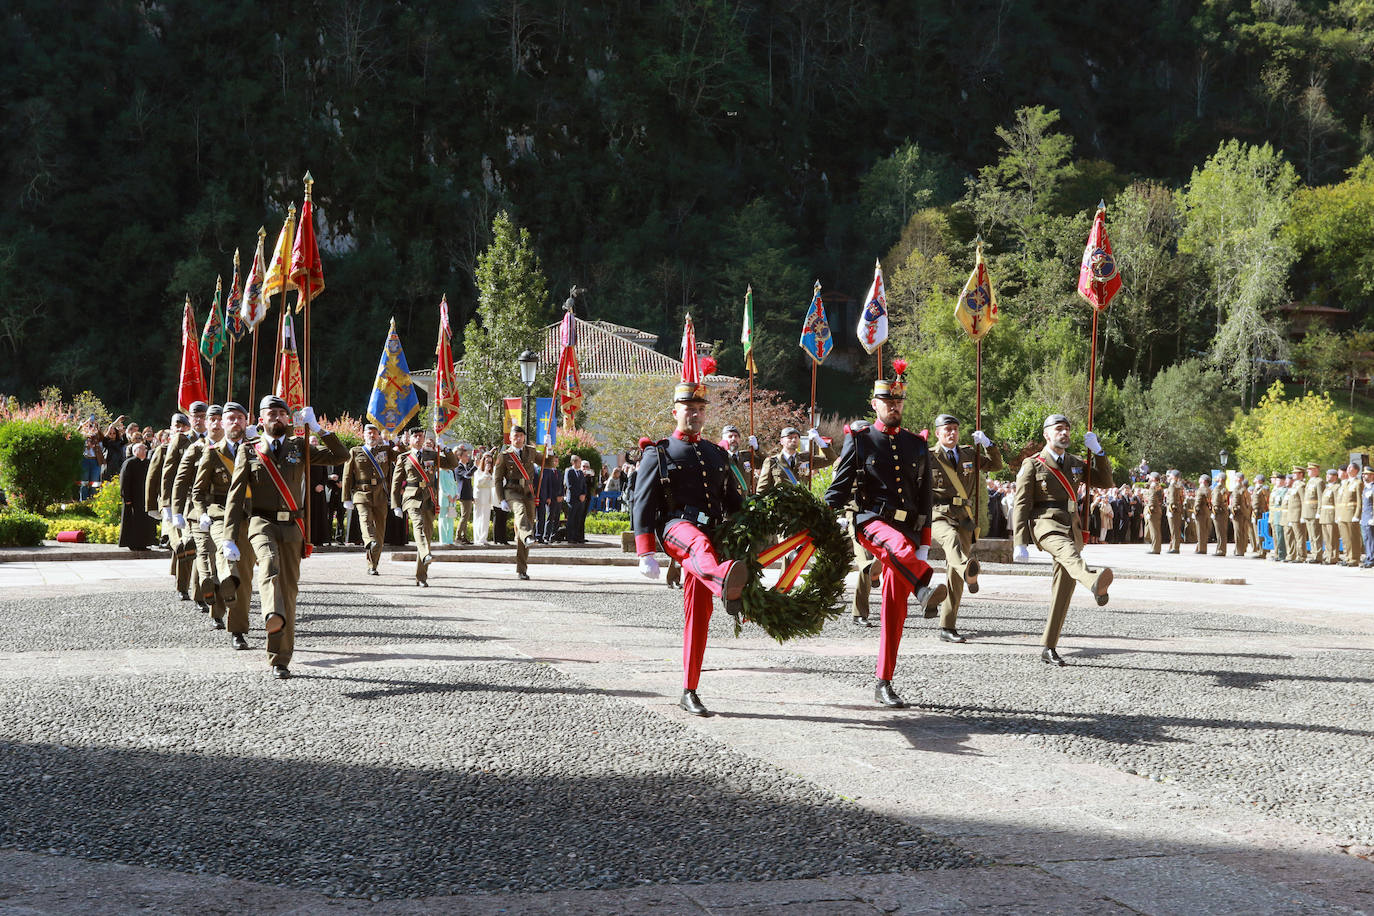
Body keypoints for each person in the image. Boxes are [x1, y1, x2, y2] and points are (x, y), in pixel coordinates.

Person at [825, 375, 948, 708]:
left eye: (898, 402)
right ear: (874, 404)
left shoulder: (916, 444)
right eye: (887, 402)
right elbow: (838, 487)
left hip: (908, 532)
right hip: (871, 523)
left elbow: (924, 499)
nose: (894, 406)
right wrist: (821, 516)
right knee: (899, 548)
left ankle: (884, 682)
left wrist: (924, 542)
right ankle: (923, 584)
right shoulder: (861, 439)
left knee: (895, 612)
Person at [632, 376, 747, 717]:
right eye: (688, 410)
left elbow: (732, 502)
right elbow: (642, 500)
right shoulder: (659, 452)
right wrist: (645, 551)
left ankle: (689, 689)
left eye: (700, 409)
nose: (695, 415)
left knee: (699, 616)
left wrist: (748, 533)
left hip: (711, 538)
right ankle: (725, 579)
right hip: (676, 528)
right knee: (697, 544)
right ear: (675, 412)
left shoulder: (715, 453)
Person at [224, 396, 348, 678]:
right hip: (261, 521)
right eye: (272, 413)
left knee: (289, 591)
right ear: (261, 419)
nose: (278, 417)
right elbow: (234, 497)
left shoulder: (299, 447)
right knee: (268, 567)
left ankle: (280, 658)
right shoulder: (249, 450)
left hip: (292, 526)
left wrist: (318, 428)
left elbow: (341, 456)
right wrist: (229, 537)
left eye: (283, 413)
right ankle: (271, 614)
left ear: (289, 419)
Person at [1011, 414, 1114, 666]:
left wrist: (1098, 452)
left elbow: (1106, 481)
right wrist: (1019, 542)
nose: (1064, 433)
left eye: (1067, 429)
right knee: (1069, 553)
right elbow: (1021, 503)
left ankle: (1049, 645)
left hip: (1072, 525)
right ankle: (1092, 580)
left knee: (1063, 591)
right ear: (1046, 435)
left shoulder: (1076, 463)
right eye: (1059, 429)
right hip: (1045, 523)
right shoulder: (1033, 464)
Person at [926, 413, 1003, 643]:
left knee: (954, 574)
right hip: (939, 513)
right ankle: (969, 569)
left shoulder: (970, 454)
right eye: (947, 429)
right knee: (951, 541)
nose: (952, 433)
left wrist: (989, 445)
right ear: (938, 433)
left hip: (964, 517)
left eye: (955, 430)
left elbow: (997, 466)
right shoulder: (929, 456)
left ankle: (947, 626)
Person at [193, 401, 255, 649]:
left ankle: (236, 626)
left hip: (249, 517)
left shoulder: (255, 450)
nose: (235, 422)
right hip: (219, 515)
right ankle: (227, 591)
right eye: (230, 418)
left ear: (246, 422)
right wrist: (201, 514)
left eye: (240, 418)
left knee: (246, 577)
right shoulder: (212, 451)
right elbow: (198, 491)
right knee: (226, 556)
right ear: (221, 423)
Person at [171, 403, 226, 617]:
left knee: (213, 555)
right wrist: (173, 510)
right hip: (197, 508)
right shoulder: (195, 447)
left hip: (223, 510)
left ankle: (200, 594)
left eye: (218, 418)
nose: (214, 423)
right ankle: (203, 593)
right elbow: (178, 479)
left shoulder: (233, 447)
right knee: (202, 553)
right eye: (210, 419)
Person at [392, 427, 460, 586]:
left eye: (421, 436)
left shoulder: (431, 454)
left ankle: (421, 577)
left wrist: (445, 449)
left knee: (426, 536)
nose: (418, 439)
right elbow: (396, 484)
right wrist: (395, 505)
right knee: (419, 526)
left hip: (429, 499)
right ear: (409, 440)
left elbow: (452, 464)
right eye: (415, 436)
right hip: (412, 497)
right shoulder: (404, 458)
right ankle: (426, 554)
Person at [341, 424, 396, 576]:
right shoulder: (355, 451)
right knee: (365, 521)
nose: (372, 436)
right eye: (369, 433)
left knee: (379, 532)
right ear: (364, 435)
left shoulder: (385, 451)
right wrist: (346, 497)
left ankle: (373, 565)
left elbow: (401, 458)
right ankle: (368, 541)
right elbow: (346, 476)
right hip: (361, 492)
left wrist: (397, 443)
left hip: (380, 494)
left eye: (374, 433)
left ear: (378, 436)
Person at [159, 408, 202, 600]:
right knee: (186, 543)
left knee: (202, 544)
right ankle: (183, 586)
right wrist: (167, 505)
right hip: (182, 499)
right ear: (190, 419)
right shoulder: (180, 440)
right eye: (196, 417)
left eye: (203, 416)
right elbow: (168, 474)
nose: (200, 420)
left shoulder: (215, 439)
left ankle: (202, 588)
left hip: (203, 500)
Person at [494, 425, 540, 579]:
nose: (519, 438)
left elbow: (547, 463)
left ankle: (522, 569)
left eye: (521, 435)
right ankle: (528, 535)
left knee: (527, 524)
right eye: (516, 436)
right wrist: (501, 499)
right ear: (511, 438)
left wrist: (550, 449)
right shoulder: (505, 455)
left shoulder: (531, 451)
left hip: (528, 492)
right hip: (512, 490)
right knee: (520, 513)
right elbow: (498, 479)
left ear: (524, 437)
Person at [757, 427, 832, 493]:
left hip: (801, 504)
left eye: (796, 437)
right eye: (790, 437)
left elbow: (830, 459)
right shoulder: (772, 462)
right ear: (781, 441)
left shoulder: (805, 459)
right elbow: (762, 489)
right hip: (780, 505)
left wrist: (819, 440)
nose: (794, 440)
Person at [117, 441, 156, 549]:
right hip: (133, 498)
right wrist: (126, 497)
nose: (145, 451)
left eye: (145, 449)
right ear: (135, 451)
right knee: (133, 521)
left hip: (144, 498)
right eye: (142, 449)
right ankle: (133, 543)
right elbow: (124, 481)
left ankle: (143, 543)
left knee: (144, 521)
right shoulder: (129, 463)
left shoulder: (148, 463)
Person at [1338, 463, 1363, 566]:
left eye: (1350, 467)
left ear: (1356, 470)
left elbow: (1360, 501)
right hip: (1343, 513)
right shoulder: (1345, 483)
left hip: (1352, 514)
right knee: (1345, 538)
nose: (1347, 469)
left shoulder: (1358, 483)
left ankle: (1355, 558)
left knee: (1354, 538)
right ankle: (1348, 557)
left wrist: (1357, 515)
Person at [537, 454, 564, 543]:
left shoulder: (559, 472)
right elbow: (549, 486)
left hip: (559, 498)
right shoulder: (548, 471)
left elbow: (561, 485)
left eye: (556, 461)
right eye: (553, 461)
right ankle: (546, 535)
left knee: (557, 518)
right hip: (551, 497)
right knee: (550, 517)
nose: (555, 463)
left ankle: (554, 536)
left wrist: (561, 495)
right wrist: (551, 496)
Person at [1302, 461, 1325, 564]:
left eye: (1310, 469)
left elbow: (1321, 498)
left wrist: (1319, 511)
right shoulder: (1309, 482)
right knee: (1311, 535)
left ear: (1316, 470)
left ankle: (1318, 555)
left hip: (1314, 511)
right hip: (1307, 511)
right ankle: (1314, 553)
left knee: (1316, 535)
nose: (1308, 471)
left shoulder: (1319, 482)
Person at [563, 457, 589, 543]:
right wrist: (579, 495)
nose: (580, 464)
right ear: (574, 462)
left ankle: (577, 537)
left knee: (578, 518)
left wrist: (583, 494)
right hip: (573, 499)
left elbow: (584, 485)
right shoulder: (569, 471)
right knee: (572, 519)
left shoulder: (580, 473)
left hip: (581, 499)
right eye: (579, 462)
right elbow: (570, 486)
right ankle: (570, 537)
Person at [473, 452, 496, 545]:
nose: (488, 464)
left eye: (490, 462)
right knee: (479, 517)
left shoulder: (491, 474)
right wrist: (485, 473)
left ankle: (483, 538)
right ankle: (478, 538)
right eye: (487, 462)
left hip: (487, 497)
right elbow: (479, 483)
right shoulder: (478, 472)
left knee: (486, 518)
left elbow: (492, 484)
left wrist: (488, 477)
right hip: (479, 497)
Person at [453, 445, 475, 544]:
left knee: (466, 517)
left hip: (468, 494)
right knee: (464, 516)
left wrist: (472, 496)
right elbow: (467, 476)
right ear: (460, 457)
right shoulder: (458, 467)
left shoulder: (465, 466)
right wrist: (476, 467)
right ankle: (458, 536)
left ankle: (463, 536)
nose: (467, 457)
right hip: (463, 494)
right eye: (465, 456)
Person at [78, 419, 105, 501]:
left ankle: (93, 501)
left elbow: (103, 436)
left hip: (95, 461)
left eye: (91, 426)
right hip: (85, 460)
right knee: (84, 482)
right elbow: (74, 433)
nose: (90, 428)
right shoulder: (82, 436)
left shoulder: (98, 437)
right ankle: (83, 501)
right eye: (88, 426)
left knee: (95, 483)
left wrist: (96, 427)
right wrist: (83, 424)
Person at [1285, 467, 1308, 562]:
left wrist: (1303, 515)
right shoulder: (1295, 485)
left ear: (1301, 474)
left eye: (1296, 473)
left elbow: (1303, 501)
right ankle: (1293, 555)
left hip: (1298, 514)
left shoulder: (1301, 485)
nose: (1293, 474)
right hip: (1292, 514)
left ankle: (1301, 556)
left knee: (1300, 536)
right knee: (1294, 536)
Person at [1319, 468, 1340, 565]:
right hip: (1324, 515)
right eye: (1327, 474)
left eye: (1330, 475)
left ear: (1335, 477)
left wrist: (1337, 516)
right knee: (1326, 538)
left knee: (1332, 537)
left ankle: (1333, 557)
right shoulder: (1327, 488)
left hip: (1331, 515)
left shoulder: (1336, 487)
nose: (1327, 476)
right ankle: (1328, 555)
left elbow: (1337, 502)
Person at [1190, 475, 1213, 555]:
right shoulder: (1208, 489)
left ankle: (1201, 549)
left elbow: (1197, 503)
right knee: (1204, 530)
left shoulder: (1201, 489)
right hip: (1206, 511)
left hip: (1200, 512)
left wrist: (1195, 512)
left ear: (1203, 481)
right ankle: (1202, 547)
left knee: (1200, 531)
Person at [1230, 474, 1251, 557]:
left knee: (1238, 532)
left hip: (1238, 513)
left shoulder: (1237, 489)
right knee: (1243, 532)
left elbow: (1235, 502)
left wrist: (1233, 512)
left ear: (1238, 479)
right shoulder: (1245, 489)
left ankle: (1239, 550)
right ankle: (1242, 549)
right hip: (1245, 512)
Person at [1165, 469, 1185, 553]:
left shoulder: (1173, 486)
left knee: (1174, 529)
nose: (1168, 477)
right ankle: (1174, 546)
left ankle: (1175, 547)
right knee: (1176, 529)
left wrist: (1171, 509)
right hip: (1178, 509)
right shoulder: (1178, 485)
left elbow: (1172, 499)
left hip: (1173, 509)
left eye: (1170, 476)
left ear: (1173, 476)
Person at [1144, 472, 1165, 554]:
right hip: (1158, 509)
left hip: (1153, 510)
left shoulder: (1153, 486)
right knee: (1156, 530)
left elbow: (1152, 498)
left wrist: (1150, 509)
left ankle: (1155, 549)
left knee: (1154, 530)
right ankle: (1155, 547)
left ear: (1153, 478)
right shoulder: (1159, 486)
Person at [1251, 474, 1270, 559]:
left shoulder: (1259, 489)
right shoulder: (1261, 489)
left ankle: (1262, 551)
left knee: (1259, 532)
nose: (1254, 479)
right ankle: (1261, 550)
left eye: (1255, 478)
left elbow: (1257, 503)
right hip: (1259, 512)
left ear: (1258, 480)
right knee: (1259, 532)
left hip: (1258, 513)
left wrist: (1254, 513)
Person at [1360, 465, 1374, 569]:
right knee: (1366, 539)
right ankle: (1369, 556)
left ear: (1372, 475)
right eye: (1364, 474)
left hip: (1370, 517)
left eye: (1366, 474)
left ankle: (1371, 559)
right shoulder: (1366, 487)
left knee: (1370, 539)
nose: (1364, 476)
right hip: (1365, 517)